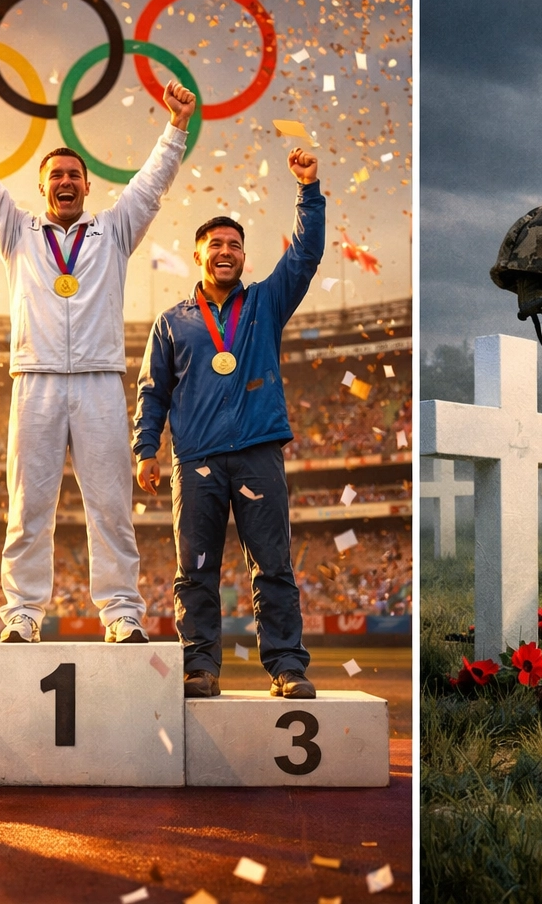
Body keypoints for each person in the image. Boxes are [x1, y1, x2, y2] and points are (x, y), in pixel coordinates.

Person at [0, 76, 195, 645]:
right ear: (41, 187)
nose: (65, 182)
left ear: (86, 186)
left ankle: (121, 613)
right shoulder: (17, 231)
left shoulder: (115, 229)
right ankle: (23, 614)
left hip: (101, 381)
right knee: (29, 507)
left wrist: (175, 127)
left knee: (111, 507)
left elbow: (150, 186)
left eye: (74, 175)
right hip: (36, 379)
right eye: (55, 175)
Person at [133, 147, 324, 699]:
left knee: (273, 567)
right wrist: (147, 450)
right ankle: (200, 668)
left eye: (234, 245)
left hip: (258, 453)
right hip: (194, 462)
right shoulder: (172, 323)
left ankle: (287, 666)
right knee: (195, 570)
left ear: (244, 257)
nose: (225, 251)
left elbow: (306, 254)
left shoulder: (266, 302)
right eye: (215, 244)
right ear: (198, 254)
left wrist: (307, 191)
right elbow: (153, 391)